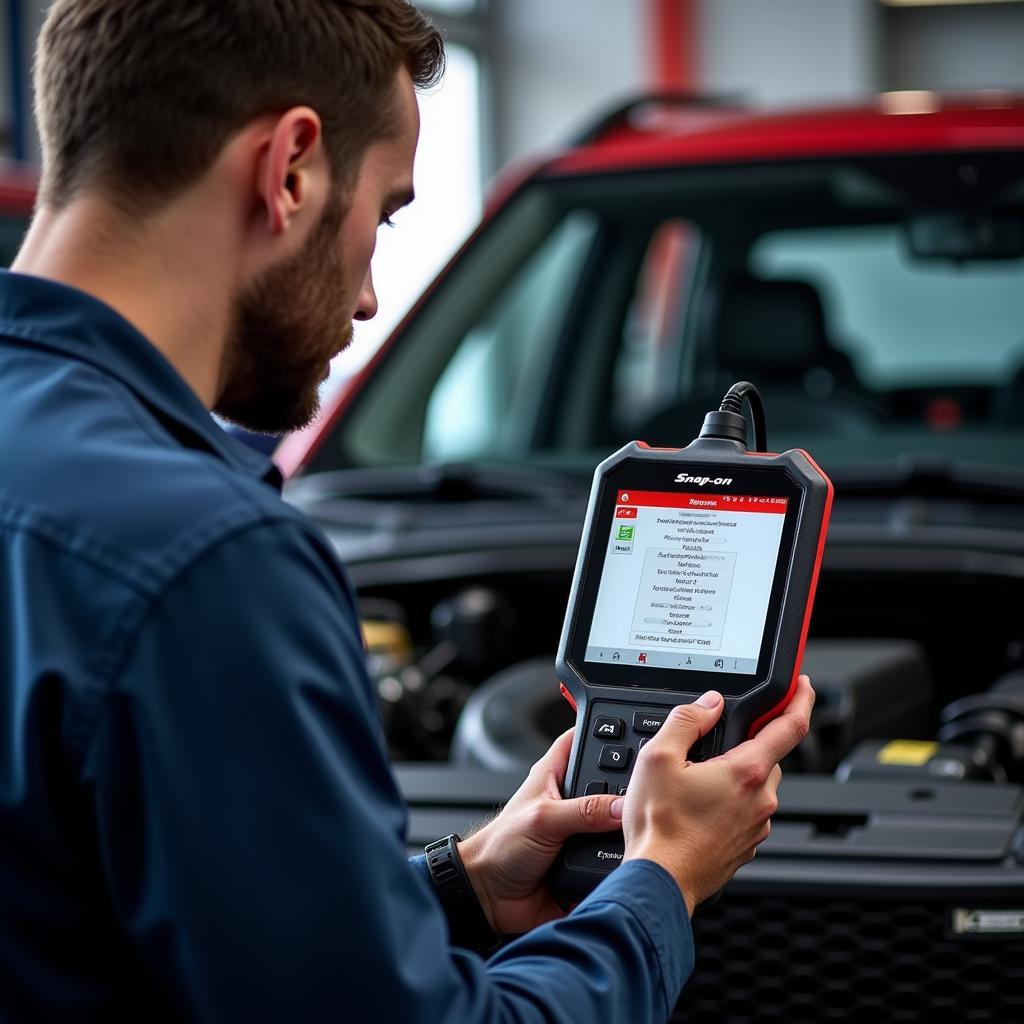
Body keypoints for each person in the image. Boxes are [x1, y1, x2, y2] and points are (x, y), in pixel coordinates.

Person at [0, 2, 814, 1021]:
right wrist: (659, 882)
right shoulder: (206, 561)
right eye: (382, 215)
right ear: (289, 167)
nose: (370, 299)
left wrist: (464, 882)